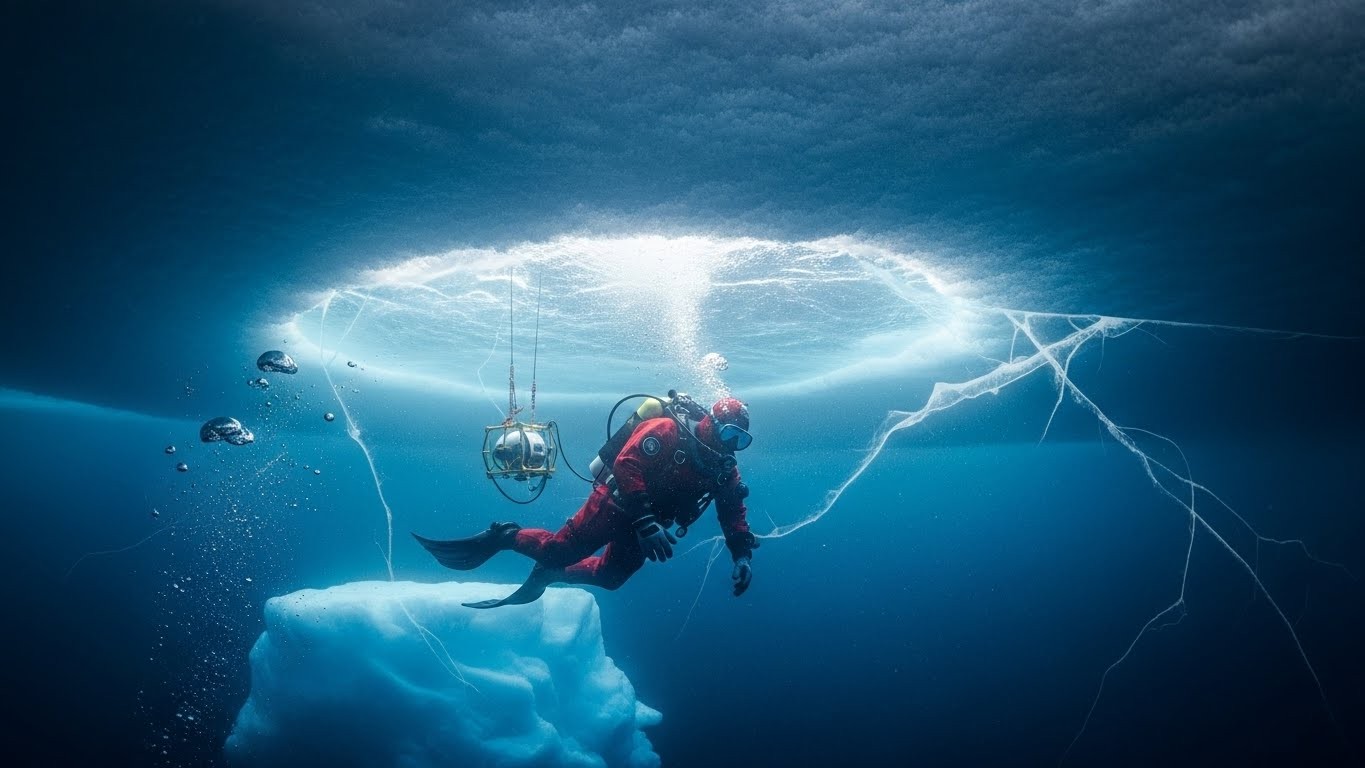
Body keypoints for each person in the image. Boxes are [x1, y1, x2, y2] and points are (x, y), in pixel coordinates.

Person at [414, 395, 759, 609]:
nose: (732, 445)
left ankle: (552, 574)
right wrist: (646, 522)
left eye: (741, 440)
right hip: (618, 504)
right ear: (710, 424)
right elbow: (626, 464)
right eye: (728, 433)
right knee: (556, 549)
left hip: (648, 526)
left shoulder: (725, 469)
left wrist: (741, 554)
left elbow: (733, 511)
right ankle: (505, 535)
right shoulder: (667, 431)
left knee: (611, 577)